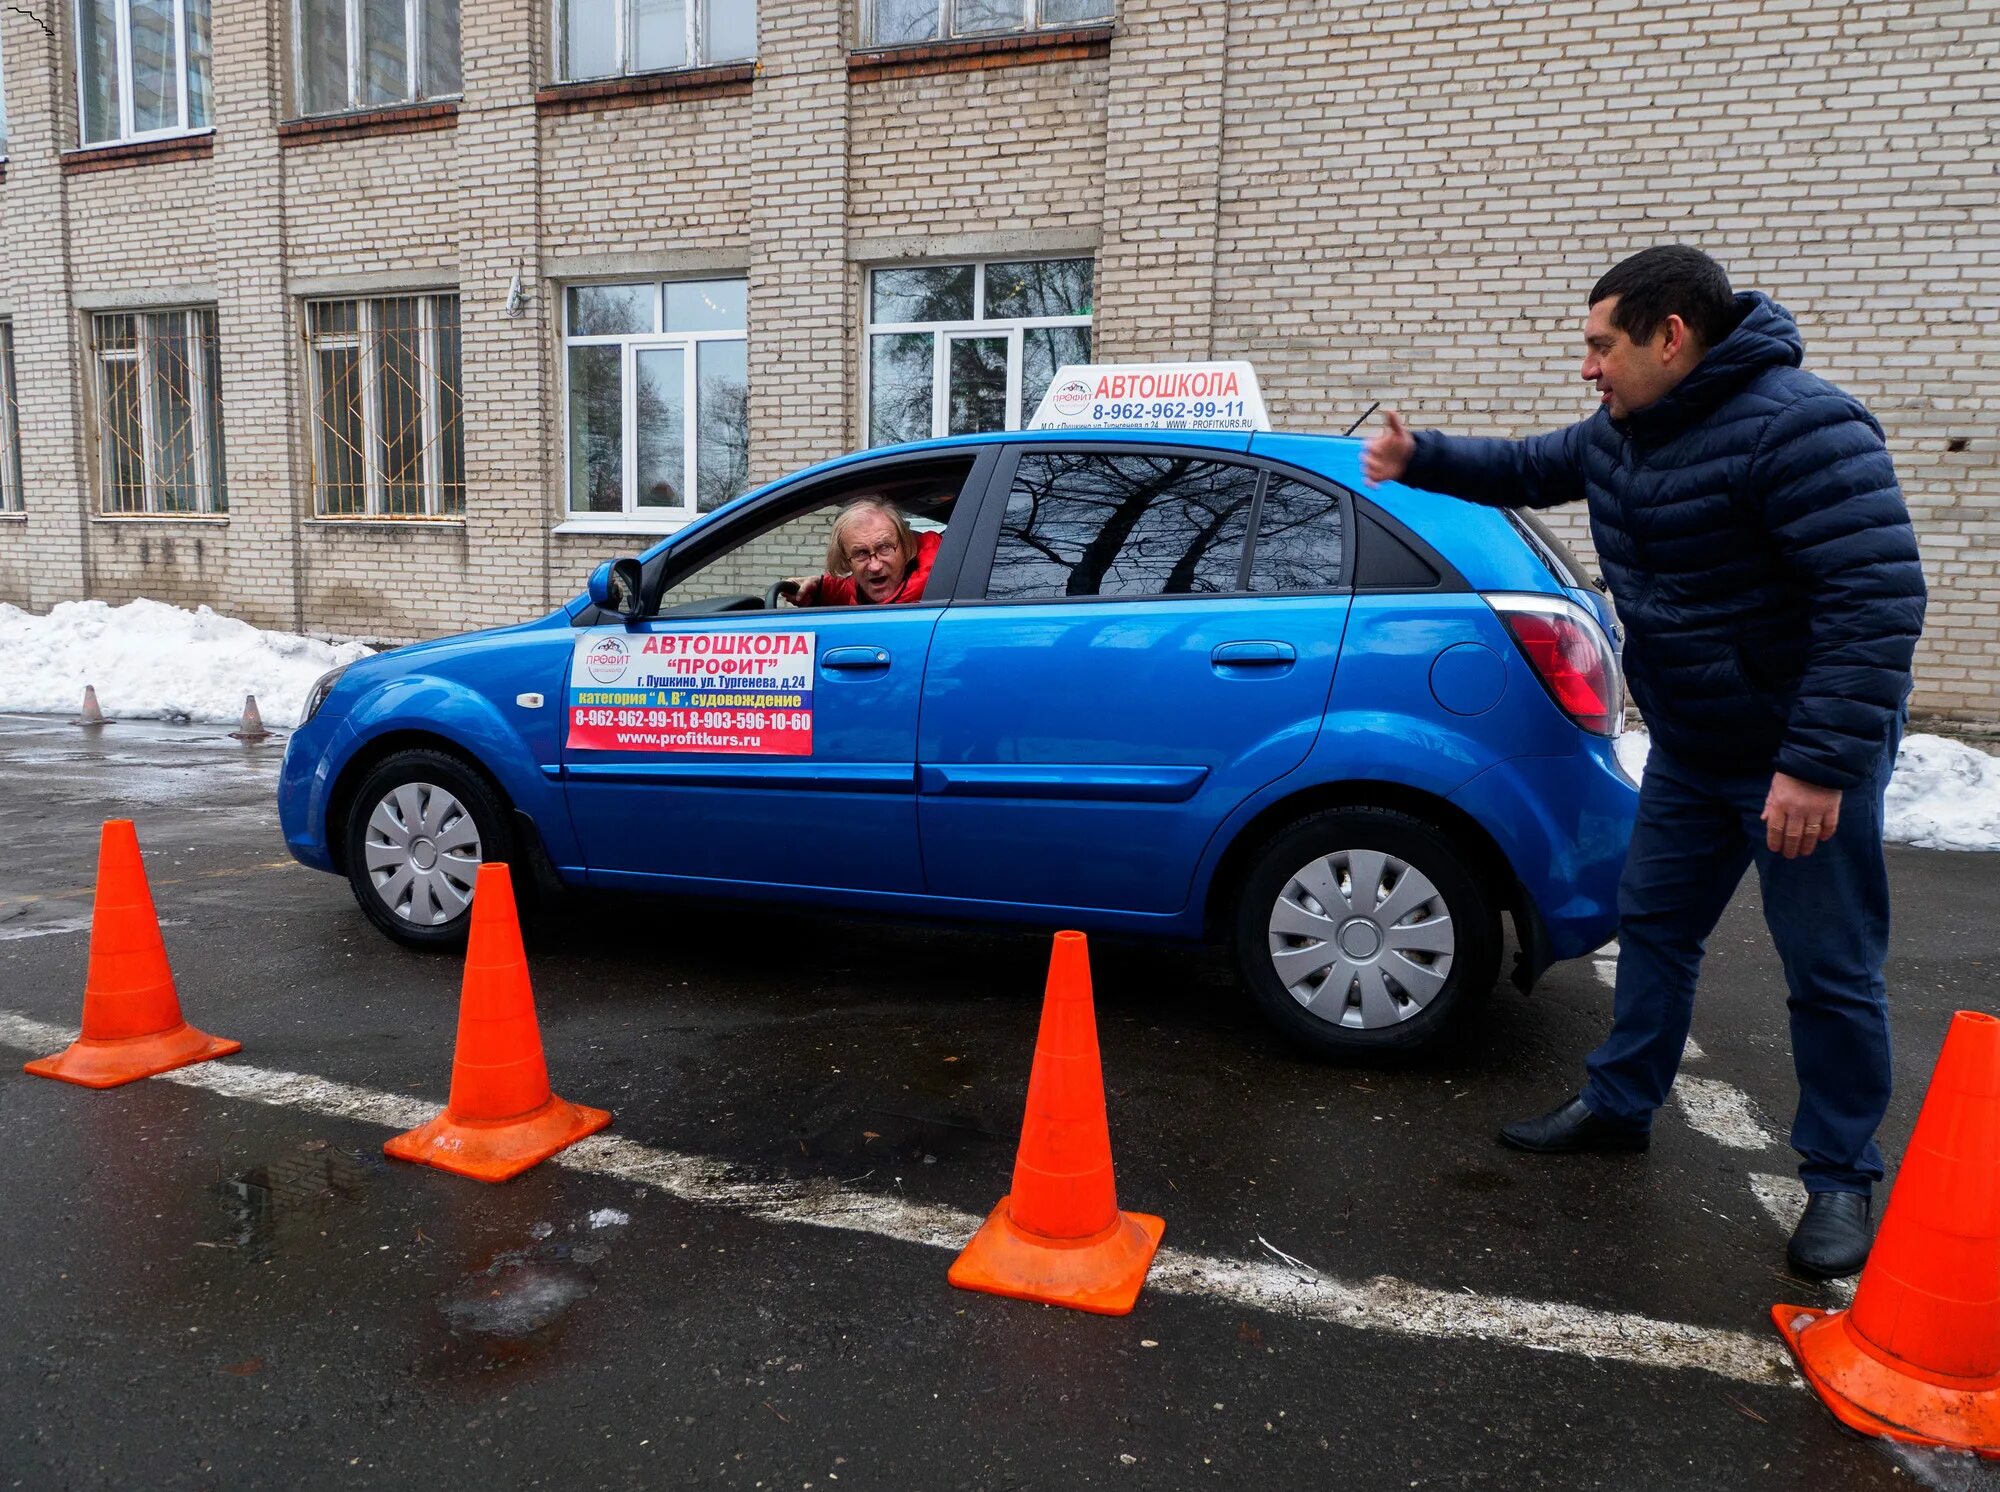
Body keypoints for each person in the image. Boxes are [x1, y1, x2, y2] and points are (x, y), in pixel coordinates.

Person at [1361, 244, 1926, 1280]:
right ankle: (1619, 1104)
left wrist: (1813, 765)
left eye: (1599, 346)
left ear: (1671, 337)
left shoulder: (1804, 426)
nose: (1587, 368)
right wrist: (1421, 455)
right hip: (1693, 747)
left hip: (1794, 761)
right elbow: (1529, 465)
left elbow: (1876, 601)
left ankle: (1839, 1176)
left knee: (1828, 970)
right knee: (1653, 928)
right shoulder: (1626, 431)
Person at [782, 498, 941, 607]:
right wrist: (819, 587)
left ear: (906, 548)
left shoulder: (942, 579)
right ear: (846, 560)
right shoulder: (863, 586)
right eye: (861, 553)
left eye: (884, 547)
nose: (875, 566)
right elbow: (850, 590)